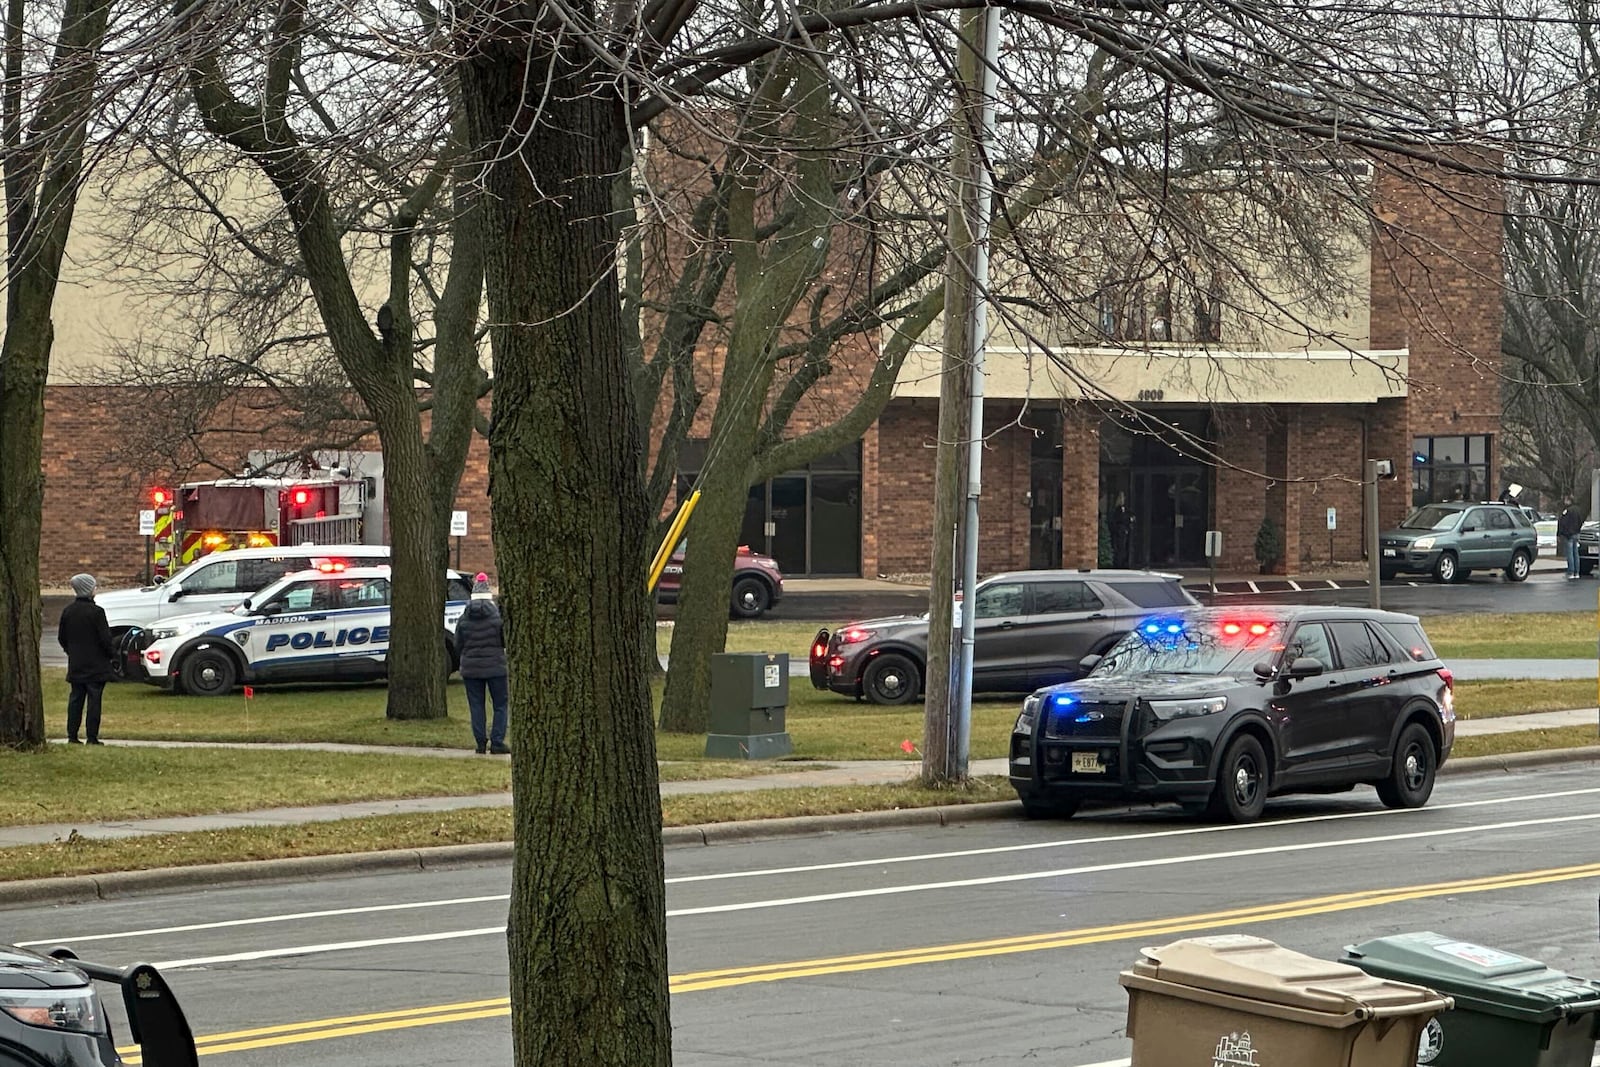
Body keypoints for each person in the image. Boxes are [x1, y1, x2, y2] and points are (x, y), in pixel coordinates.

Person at [454, 572, 510, 755]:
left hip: (471, 668)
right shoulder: (497, 618)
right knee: (500, 704)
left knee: (476, 705)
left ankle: (480, 743)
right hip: (496, 667)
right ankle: (497, 741)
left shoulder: (463, 620)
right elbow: (504, 641)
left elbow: (457, 644)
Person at [57, 573, 115, 744]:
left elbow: (62, 637)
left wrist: (71, 652)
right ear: (89, 589)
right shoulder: (97, 612)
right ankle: (92, 736)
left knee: (76, 699)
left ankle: (72, 735)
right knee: (94, 701)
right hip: (96, 664)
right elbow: (105, 639)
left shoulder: (68, 611)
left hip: (76, 663)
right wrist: (112, 654)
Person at [1557, 500, 1586, 579]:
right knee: (1576, 554)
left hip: (1569, 535)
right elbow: (1581, 521)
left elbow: (1562, 522)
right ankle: (1577, 572)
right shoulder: (1578, 510)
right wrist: (1577, 530)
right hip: (1576, 534)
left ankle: (1571, 572)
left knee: (1570, 554)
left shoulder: (1567, 511)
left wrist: (1560, 534)